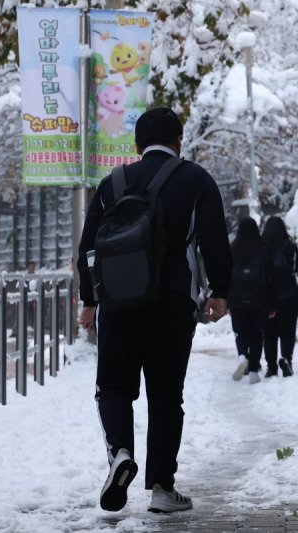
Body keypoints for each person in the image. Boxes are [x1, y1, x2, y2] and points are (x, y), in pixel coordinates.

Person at [76, 108, 232, 514]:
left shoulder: (112, 183)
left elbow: (89, 247)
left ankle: (121, 455)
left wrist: (89, 300)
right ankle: (163, 488)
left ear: (136, 146)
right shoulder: (195, 179)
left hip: (118, 302)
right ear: (179, 140)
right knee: (165, 394)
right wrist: (221, 291)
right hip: (173, 303)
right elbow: (214, 239)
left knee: (113, 386)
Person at [228, 217, 276, 384]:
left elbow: (226, 276)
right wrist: (272, 304)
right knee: (256, 335)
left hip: (237, 300)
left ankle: (242, 356)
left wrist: (227, 299)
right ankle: (254, 370)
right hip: (259, 300)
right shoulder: (263, 249)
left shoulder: (233, 249)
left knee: (241, 333)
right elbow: (271, 278)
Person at [261, 216, 298, 377]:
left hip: (266, 296)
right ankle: (286, 358)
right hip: (289, 295)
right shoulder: (290, 248)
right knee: (288, 331)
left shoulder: (261, 248)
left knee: (269, 334)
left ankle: (271, 367)